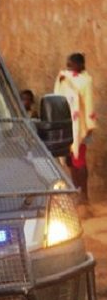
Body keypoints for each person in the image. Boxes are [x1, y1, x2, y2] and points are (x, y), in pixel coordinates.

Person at [54, 52, 96, 204]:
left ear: (80, 65)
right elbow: (59, 96)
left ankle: (84, 195)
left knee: (79, 160)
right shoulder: (65, 78)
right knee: (71, 162)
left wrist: (89, 125)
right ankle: (77, 191)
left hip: (82, 127)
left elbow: (89, 102)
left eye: (71, 65)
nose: (68, 67)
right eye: (68, 65)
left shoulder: (86, 81)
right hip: (69, 126)